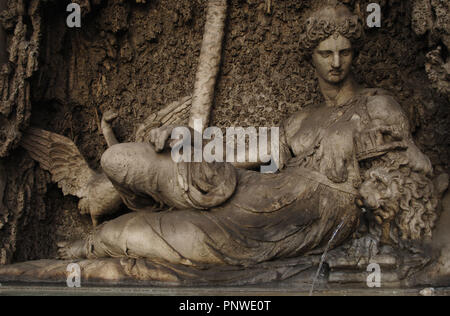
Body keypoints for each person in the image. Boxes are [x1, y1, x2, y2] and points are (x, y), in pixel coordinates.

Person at [58, 4, 433, 266]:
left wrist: (357, 140)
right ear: (311, 56)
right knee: (121, 159)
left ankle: (95, 245)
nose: (336, 63)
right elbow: (249, 153)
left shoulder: (377, 104)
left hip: (301, 217)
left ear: (356, 54)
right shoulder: (299, 122)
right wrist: (189, 144)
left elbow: (417, 167)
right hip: (262, 193)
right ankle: (100, 240)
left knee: (156, 232)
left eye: (345, 52)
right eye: (325, 53)